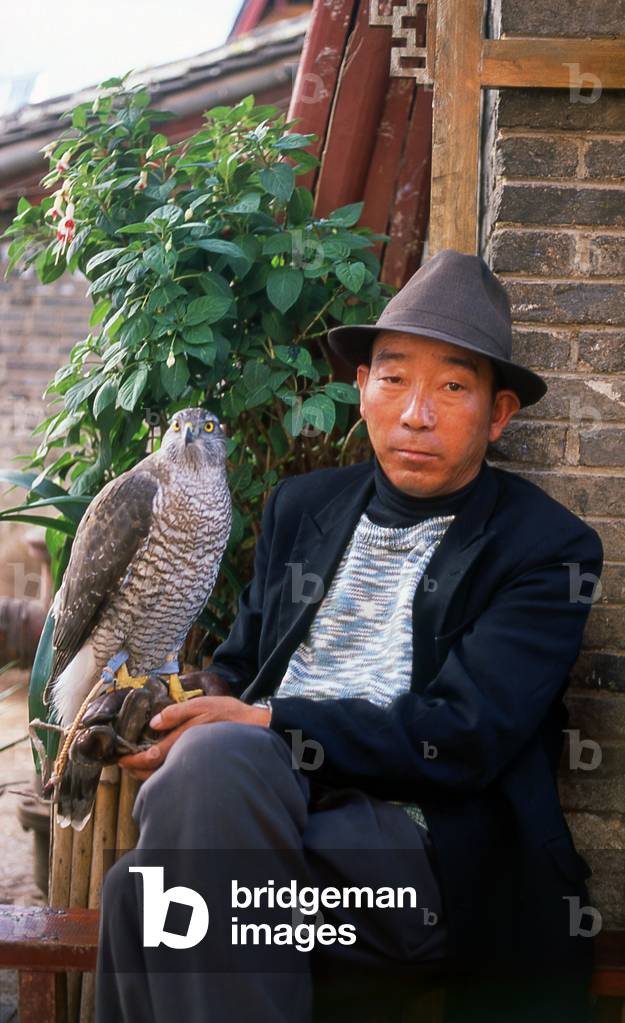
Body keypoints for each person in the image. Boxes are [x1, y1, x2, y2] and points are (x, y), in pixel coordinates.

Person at [96, 250, 603, 1023]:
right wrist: (170, 707)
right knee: (169, 847)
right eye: (393, 378)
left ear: (498, 414)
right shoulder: (305, 507)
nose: (415, 412)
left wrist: (264, 724)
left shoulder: (544, 548)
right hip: (262, 807)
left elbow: (464, 736)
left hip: (421, 852)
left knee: (157, 885)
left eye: (452, 387)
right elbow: (236, 668)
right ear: (360, 385)